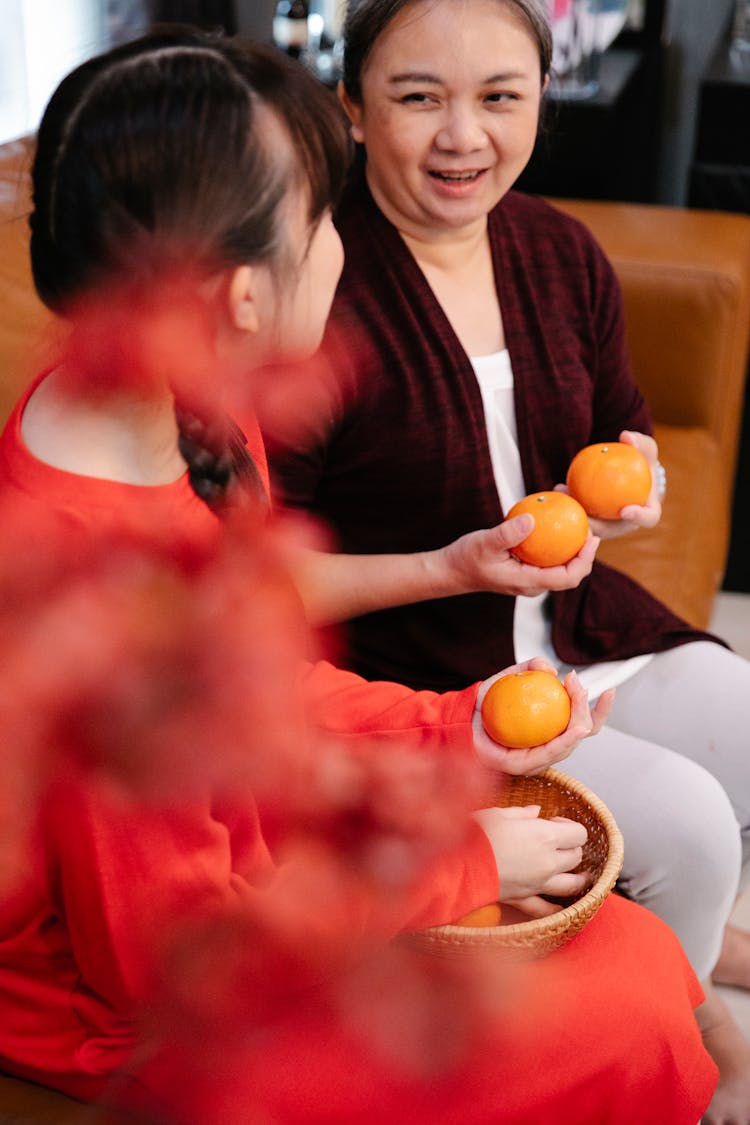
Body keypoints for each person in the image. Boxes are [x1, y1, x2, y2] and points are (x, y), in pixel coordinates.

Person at [0, 26, 716, 1124]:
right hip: (154, 1023)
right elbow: (166, 963)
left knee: (633, 953)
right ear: (243, 294)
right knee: (629, 1002)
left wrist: (448, 726)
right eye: (325, 220)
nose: (345, 246)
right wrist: (460, 860)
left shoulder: (185, 412)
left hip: (258, 859)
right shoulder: (103, 601)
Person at [262, 0, 750, 1119]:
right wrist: (453, 567)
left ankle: (680, 962)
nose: (463, 137)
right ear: (351, 108)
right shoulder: (313, 285)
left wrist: (635, 472)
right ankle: (660, 1051)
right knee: (682, 819)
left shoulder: (556, 249)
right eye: (418, 97)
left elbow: (622, 427)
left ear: (541, 101)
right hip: (421, 680)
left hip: (582, 633)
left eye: (500, 97)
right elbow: (254, 567)